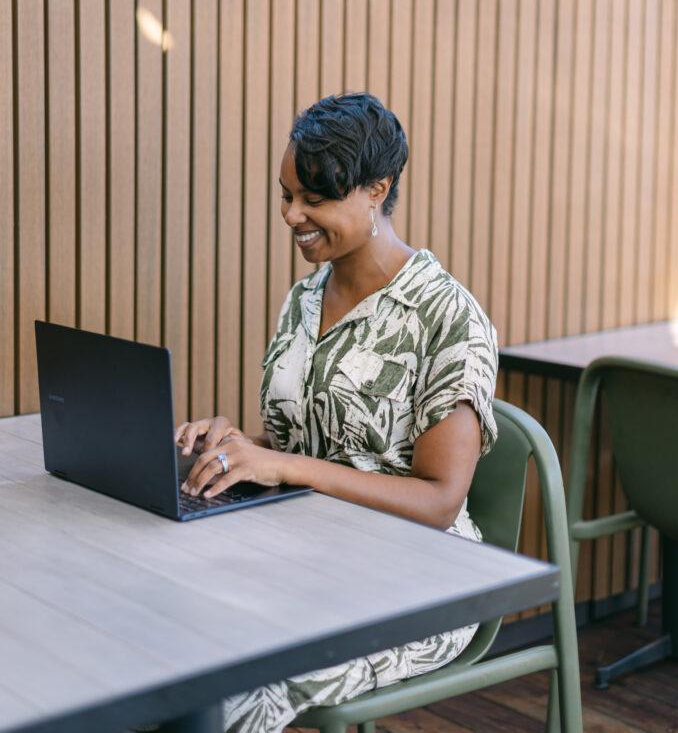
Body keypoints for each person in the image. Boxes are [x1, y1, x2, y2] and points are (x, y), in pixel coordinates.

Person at [175, 92, 498, 733]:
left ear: (376, 190)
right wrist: (238, 448)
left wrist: (283, 464)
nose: (293, 214)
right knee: (167, 642)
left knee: (230, 689)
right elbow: (306, 443)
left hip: (427, 582)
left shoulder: (447, 316)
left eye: (314, 199)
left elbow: (437, 502)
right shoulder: (304, 299)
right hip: (310, 553)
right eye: (287, 193)